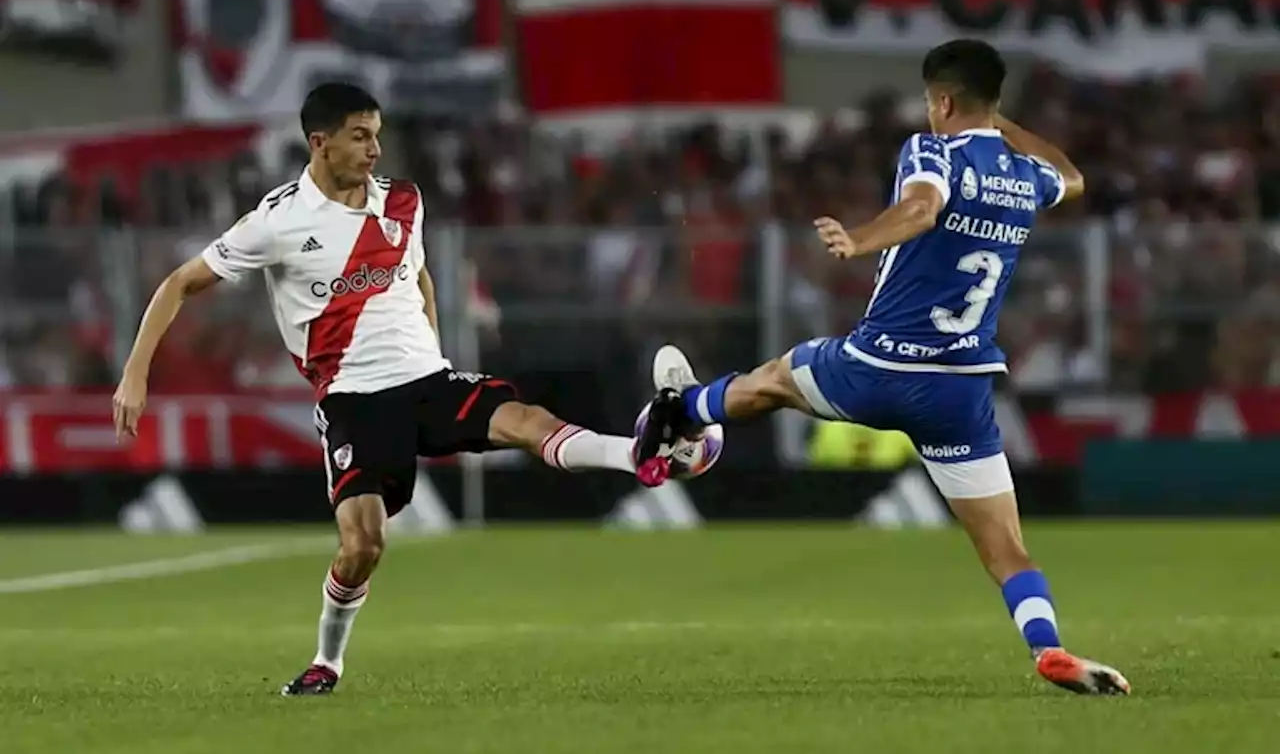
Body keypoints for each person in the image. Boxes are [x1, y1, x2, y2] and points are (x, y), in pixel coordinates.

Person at [111, 83, 672, 697]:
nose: (375, 148)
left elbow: (419, 272)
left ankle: (637, 452)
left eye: (377, 134)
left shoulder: (404, 201)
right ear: (319, 143)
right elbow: (179, 284)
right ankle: (328, 661)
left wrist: (431, 346)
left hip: (425, 379)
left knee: (524, 419)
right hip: (353, 400)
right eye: (360, 135)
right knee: (363, 544)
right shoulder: (278, 220)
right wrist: (136, 373)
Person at [633, 40, 1130, 696]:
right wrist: (999, 124)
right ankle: (1049, 647)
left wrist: (859, 238)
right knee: (1005, 547)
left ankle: (682, 415)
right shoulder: (1022, 175)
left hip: (880, 366)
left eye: (933, 103)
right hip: (961, 390)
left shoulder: (931, 150)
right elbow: (1072, 177)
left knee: (777, 378)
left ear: (943, 101)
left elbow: (924, 206)